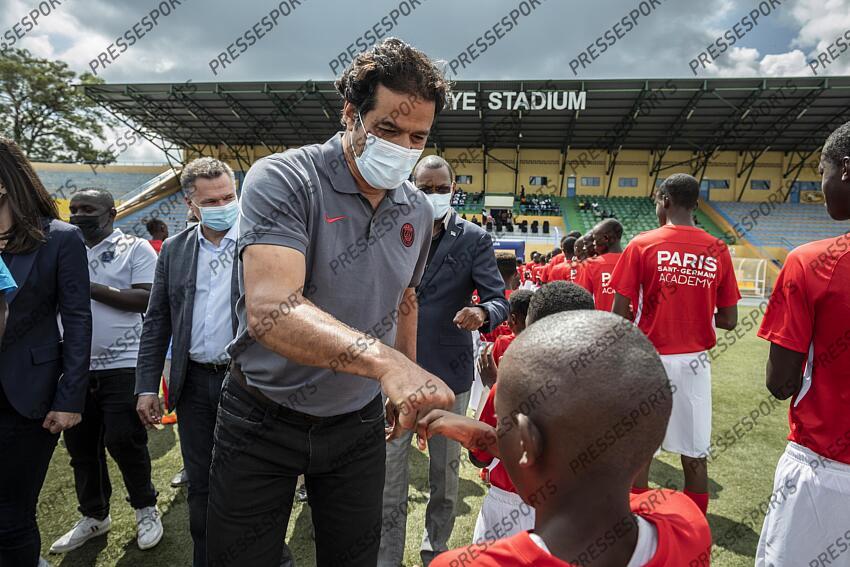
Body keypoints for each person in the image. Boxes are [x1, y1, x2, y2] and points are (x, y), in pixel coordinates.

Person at [205, 38, 455, 567]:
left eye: (418, 137)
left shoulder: (417, 211)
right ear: (351, 114)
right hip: (261, 415)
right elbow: (271, 309)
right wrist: (386, 364)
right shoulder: (286, 178)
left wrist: (403, 378)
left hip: (355, 423)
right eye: (388, 130)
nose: (403, 149)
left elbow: (404, 300)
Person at [429, 310, 711, 566]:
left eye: (502, 424)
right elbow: (591, 480)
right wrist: (495, 439)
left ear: (526, 445)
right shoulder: (686, 523)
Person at [380, 155, 509, 566]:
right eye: (424, 187)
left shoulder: (473, 238)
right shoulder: (390, 230)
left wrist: (483, 313)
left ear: (454, 189)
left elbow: (498, 299)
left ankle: (437, 550)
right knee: (389, 477)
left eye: (440, 188)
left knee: (445, 476)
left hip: (449, 376)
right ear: (409, 186)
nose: (433, 195)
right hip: (394, 375)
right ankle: (387, 557)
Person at [611, 173, 739, 515]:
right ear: (695, 204)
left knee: (640, 453)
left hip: (648, 359)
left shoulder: (642, 244)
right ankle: (693, 531)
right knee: (694, 456)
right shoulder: (717, 248)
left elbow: (619, 315)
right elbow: (729, 319)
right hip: (695, 364)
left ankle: (637, 526)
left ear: (663, 200)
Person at [135, 158, 241, 567]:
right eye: (211, 200)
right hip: (194, 384)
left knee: (249, 480)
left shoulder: (260, 243)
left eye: (229, 196)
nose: (223, 205)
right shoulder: (175, 250)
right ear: (191, 203)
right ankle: (206, 556)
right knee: (201, 481)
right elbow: (157, 319)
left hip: (245, 384)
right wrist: (147, 385)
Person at [754, 121, 850, 566]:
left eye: (822, 171)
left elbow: (780, 382)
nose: (822, 184)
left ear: (846, 169)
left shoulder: (813, 262)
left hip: (824, 473)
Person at [51, 188, 162, 553]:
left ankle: (146, 507)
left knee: (123, 439)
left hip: (124, 363)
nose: (79, 214)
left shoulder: (136, 248)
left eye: (89, 209)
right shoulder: (62, 247)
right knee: (81, 445)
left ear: (111, 214)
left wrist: (89, 287)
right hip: (74, 364)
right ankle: (95, 515)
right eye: (75, 208)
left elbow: (145, 297)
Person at [0, 137, 92, 567]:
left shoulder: (59, 239)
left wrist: (69, 397)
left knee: (11, 518)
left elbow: (77, 321)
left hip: (24, 399)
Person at [442, 283, 591, 546]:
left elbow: (480, 457)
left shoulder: (506, 389)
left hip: (510, 505)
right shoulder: (607, 389)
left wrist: (497, 392)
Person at [575, 219, 624, 311]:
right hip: (631, 324)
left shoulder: (590, 264)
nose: (593, 244)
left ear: (606, 238)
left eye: (595, 239)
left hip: (601, 322)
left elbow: (581, 300)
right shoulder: (634, 260)